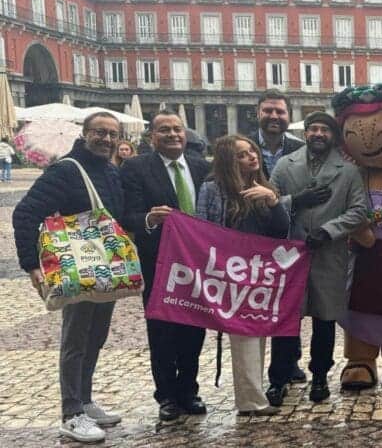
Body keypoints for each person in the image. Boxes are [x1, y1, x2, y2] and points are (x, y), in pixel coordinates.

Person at [13, 112, 124, 442]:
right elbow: (24, 213)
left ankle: (85, 401)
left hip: (106, 266)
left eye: (112, 134)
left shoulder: (110, 170)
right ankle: (71, 412)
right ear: (85, 134)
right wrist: (32, 265)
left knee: (96, 335)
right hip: (75, 266)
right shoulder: (66, 170)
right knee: (76, 338)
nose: (106, 139)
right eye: (99, 132)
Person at [267, 112, 368, 405]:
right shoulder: (285, 165)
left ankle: (321, 376)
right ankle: (279, 377)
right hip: (291, 255)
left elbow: (358, 210)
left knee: (325, 321)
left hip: (329, 254)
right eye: (313, 129)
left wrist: (328, 230)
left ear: (333, 136)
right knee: (286, 321)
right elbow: (269, 203)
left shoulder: (348, 172)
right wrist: (294, 201)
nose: (318, 134)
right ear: (305, 133)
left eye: (324, 129)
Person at [120, 110, 210, 422]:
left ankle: (189, 389)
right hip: (159, 263)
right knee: (162, 332)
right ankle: (167, 396)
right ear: (151, 137)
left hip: (198, 266)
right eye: (164, 130)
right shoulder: (136, 168)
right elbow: (126, 215)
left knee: (194, 330)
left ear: (185, 135)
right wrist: (148, 218)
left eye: (177, 129)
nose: (172, 135)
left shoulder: (201, 167)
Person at [195, 135, 289, 416]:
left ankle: (253, 394)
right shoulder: (212, 189)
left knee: (258, 332)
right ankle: (251, 401)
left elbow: (281, 230)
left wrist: (273, 200)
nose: (251, 156)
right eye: (241, 154)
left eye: (252, 151)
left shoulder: (265, 187)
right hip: (231, 272)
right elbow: (203, 229)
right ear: (228, 161)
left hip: (262, 272)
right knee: (244, 335)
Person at [250, 89, 306, 384]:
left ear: (288, 116)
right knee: (254, 303)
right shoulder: (242, 147)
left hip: (290, 235)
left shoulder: (300, 149)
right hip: (252, 240)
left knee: (289, 304)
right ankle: (253, 368)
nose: (274, 116)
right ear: (257, 113)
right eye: (268, 111)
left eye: (280, 112)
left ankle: (288, 362)